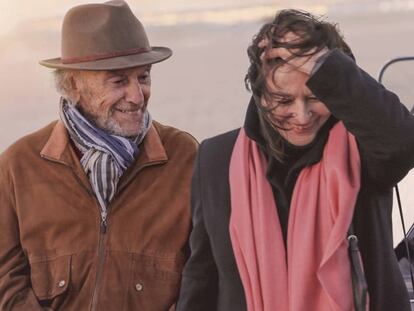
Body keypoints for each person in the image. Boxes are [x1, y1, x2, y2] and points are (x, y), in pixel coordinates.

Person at [177, 9, 414, 311]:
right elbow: (201, 277)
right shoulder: (215, 159)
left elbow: (404, 141)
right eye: (283, 100)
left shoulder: (363, 149)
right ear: (259, 93)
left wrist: (324, 64)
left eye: (315, 97)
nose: (302, 116)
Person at [0, 1, 197, 310]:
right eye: (119, 81)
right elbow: (5, 279)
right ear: (74, 85)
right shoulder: (17, 166)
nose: (136, 96)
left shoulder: (186, 158)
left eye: (143, 77)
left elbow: (201, 278)